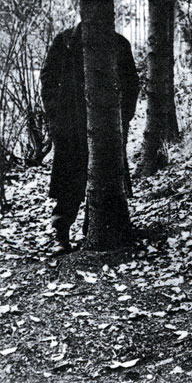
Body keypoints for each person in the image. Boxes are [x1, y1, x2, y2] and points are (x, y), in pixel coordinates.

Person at [41, 22, 139, 252]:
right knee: (69, 180)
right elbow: (47, 80)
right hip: (70, 126)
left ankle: (94, 230)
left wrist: (122, 119)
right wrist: (56, 116)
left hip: (107, 127)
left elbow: (131, 84)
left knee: (104, 178)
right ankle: (61, 233)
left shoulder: (118, 44)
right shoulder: (65, 41)